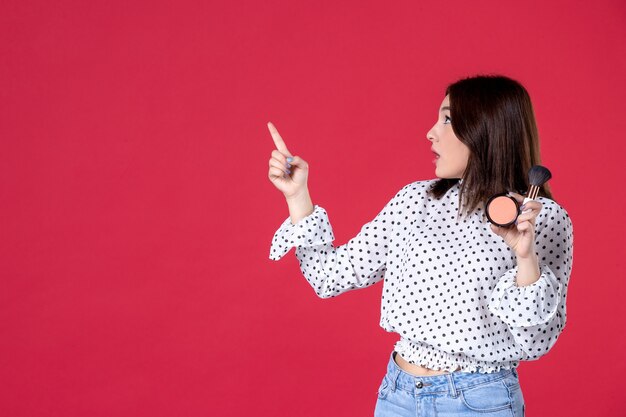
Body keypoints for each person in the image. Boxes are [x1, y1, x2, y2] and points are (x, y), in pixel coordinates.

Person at [266, 74, 573, 417]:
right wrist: (297, 195)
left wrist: (525, 256)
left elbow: (536, 341)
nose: (431, 132)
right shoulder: (416, 200)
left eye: (447, 119)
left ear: (486, 128)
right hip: (399, 395)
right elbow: (328, 277)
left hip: (479, 402)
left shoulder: (541, 218)